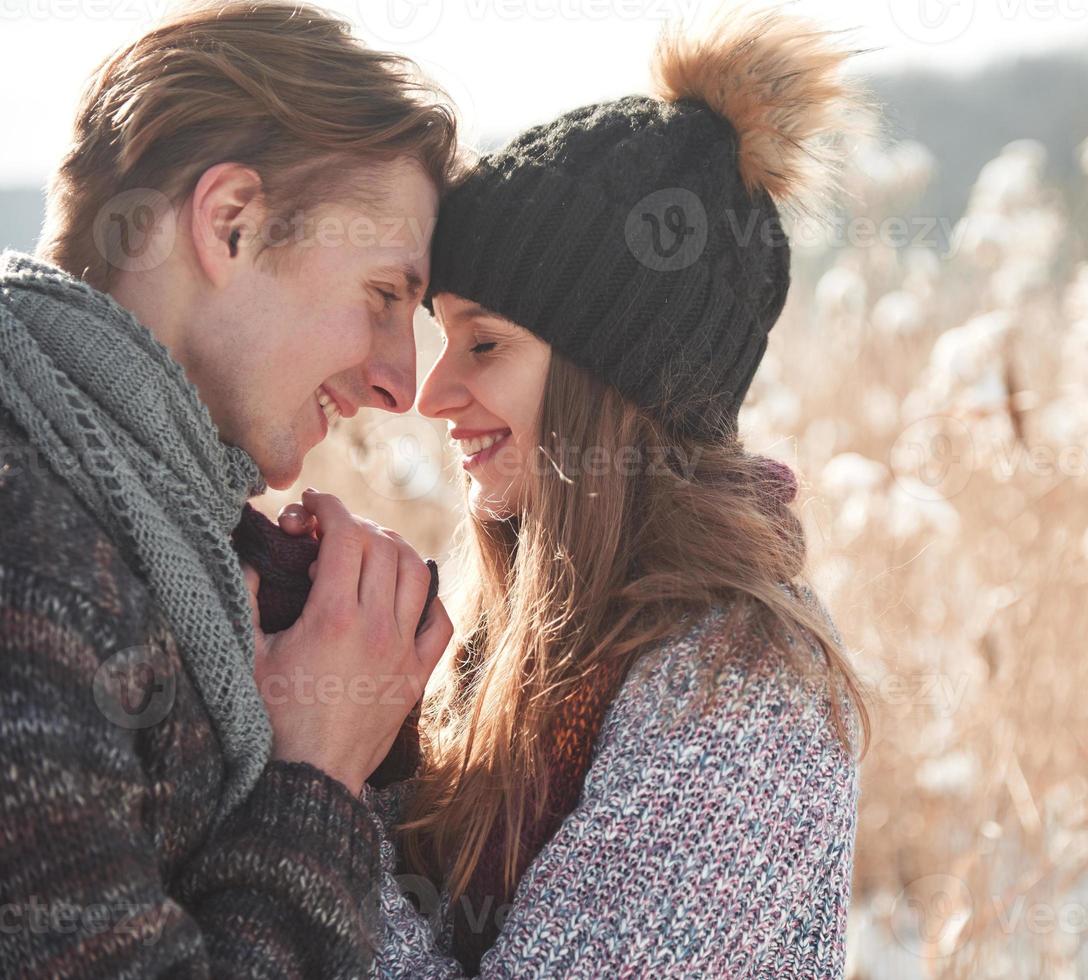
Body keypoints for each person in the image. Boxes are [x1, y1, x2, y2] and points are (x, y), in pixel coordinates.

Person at [358, 10, 872, 977]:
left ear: (615, 382)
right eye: (441, 335)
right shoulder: (536, 627)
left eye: (485, 343)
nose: (431, 392)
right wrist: (374, 737)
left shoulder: (739, 693)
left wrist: (318, 802)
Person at [0, 3, 457, 976]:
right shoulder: (33, 556)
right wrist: (315, 777)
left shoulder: (148, 530)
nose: (399, 382)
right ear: (231, 224)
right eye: (383, 295)